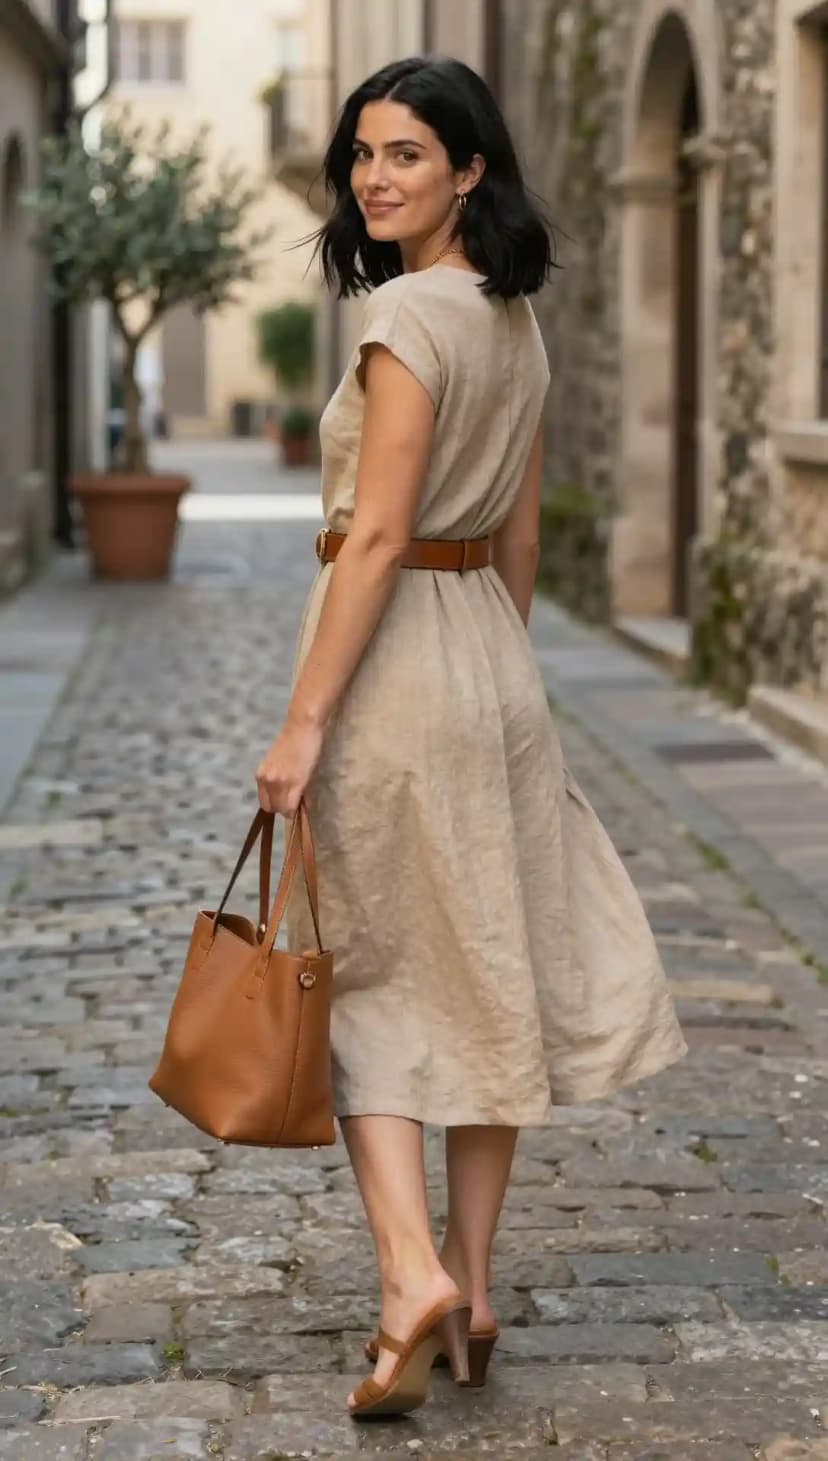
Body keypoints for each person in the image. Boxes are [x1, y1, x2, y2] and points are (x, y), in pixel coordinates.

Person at [254, 55, 688, 1420]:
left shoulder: (405, 317)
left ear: (469, 171)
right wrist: (489, 666)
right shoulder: (517, 323)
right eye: (363, 155)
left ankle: (409, 1274)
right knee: (483, 970)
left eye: (406, 155)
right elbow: (519, 538)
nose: (376, 177)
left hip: (395, 669)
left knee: (365, 969)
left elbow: (375, 533)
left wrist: (305, 722)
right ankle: (479, 1289)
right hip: (490, 657)